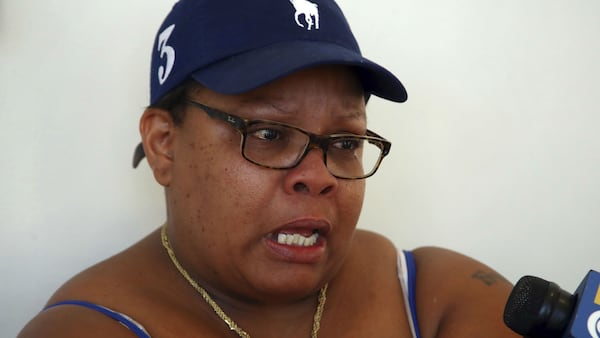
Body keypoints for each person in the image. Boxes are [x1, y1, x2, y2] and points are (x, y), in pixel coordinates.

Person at [18, 1, 521, 337]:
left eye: (344, 141)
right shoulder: (90, 328)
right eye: (268, 134)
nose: (319, 176)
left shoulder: (433, 296)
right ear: (164, 145)